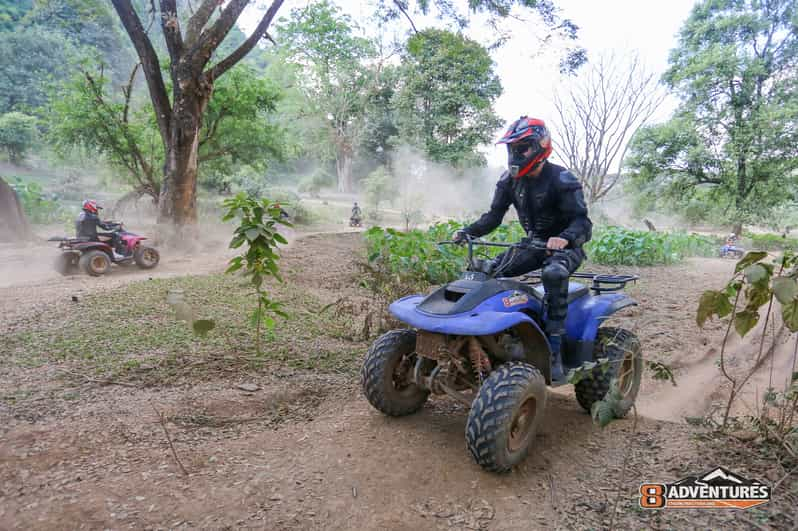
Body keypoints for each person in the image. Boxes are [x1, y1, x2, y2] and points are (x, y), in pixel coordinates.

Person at [453, 116, 592, 381]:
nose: (516, 154)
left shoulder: (562, 179)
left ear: (541, 146)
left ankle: (554, 351)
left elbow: (583, 222)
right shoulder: (509, 181)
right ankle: (482, 335)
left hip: (565, 248)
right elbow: (493, 216)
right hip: (533, 245)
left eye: (523, 148)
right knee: (485, 269)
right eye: (512, 148)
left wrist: (564, 238)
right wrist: (468, 231)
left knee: (553, 275)